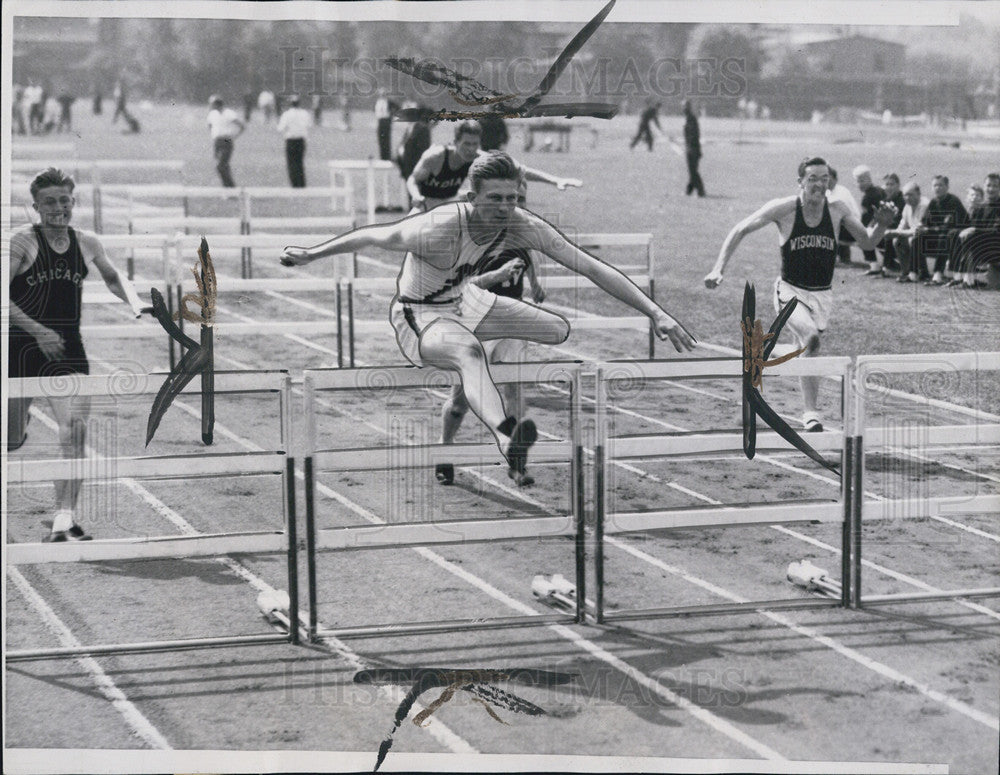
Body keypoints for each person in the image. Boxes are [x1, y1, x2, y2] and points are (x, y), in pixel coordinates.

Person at [281, 152, 696, 479]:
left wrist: (655, 313)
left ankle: (485, 397)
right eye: (494, 199)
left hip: (468, 301)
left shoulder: (521, 224)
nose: (504, 207)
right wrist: (310, 254)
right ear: (471, 198)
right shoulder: (438, 227)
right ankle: (506, 435)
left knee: (556, 329)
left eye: (512, 198)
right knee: (469, 354)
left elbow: (589, 266)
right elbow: (373, 234)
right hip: (418, 315)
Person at [704, 156, 897, 433]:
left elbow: (866, 241)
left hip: (822, 295)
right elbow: (741, 229)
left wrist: (882, 225)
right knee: (812, 340)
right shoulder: (785, 209)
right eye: (813, 179)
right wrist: (717, 269)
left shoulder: (838, 209)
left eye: (824, 178)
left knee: (802, 351)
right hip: (789, 291)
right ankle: (811, 414)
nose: (819, 184)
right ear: (800, 183)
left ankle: (758, 354)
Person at [8, 168, 147, 542]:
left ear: (74, 202)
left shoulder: (87, 242)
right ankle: (16, 431)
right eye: (49, 202)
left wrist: (136, 302)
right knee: (9, 440)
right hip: (19, 351)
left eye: (64, 201)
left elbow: (114, 278)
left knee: (74, 432)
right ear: (35, 206)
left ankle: (63, 520)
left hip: (67, 349)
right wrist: (38, 331)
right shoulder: (21, 243)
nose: (58, 208)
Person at [435, 176, 546, 487]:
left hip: (513, 320)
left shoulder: (523, 230)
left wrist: (535, 283)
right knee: (461, 402)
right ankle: (444, 451)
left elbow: (527, 255)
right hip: (478, 322)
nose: (514, 207)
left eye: (520, 201)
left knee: (515, 392)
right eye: (508, 200)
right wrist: (496, 275)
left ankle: (516, 463)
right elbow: (459, 287)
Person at [407, 121, 582, 213]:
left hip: (450, 205)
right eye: (466, 144)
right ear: (455, 142)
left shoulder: (479, 157)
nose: (470, 149)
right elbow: (413, 180)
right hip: (425, 205)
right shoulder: (436, 157)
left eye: (474, 144)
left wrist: (555, 180)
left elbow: (518, 169)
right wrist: (415, 196)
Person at [914, 175, 969, 286]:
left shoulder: (953, 201)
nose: (937, 188)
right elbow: (925, 222)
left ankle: (937, 274)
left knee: (943, 236)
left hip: (956, 240)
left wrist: (930, 229)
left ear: (947, 187)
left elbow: (948, 227)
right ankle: (917, 272)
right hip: (939, 236)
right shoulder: (933, 202)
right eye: (935, 185)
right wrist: (921, 227)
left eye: (940, 185)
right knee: (918, 236)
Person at [951, 173, 1000, 289]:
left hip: (996, 248)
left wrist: (974, 230)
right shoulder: (981, 207)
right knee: (955, 234)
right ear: (984, 186)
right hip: (984, 246)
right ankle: (958, 278)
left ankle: (969, 282)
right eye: (988, 185)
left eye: (995, 186)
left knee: (971, 235)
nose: (991, 189)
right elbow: (970, 227)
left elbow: (997, 231)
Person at [884, 181, 930, 283]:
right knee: (897, 240)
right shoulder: (907, 207)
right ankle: (906, 272)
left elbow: (918, 229)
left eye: (911, 194)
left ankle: (919, 273)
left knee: (913, 239)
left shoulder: (924, 205)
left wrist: (896, 232)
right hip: (916, 236)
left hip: (930, 238)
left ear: (919, 194)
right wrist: (891, 232)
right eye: (905, 195)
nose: (908, 198)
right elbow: (902, 226)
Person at [852, 165, 887, 275]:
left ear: (869, 179)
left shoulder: (867, 198)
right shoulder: (880, 190)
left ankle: (874, 265)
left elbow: (867, 218)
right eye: (858, 181)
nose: (860, 184)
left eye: (862, 180)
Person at [870, 172, 905, 276]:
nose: (889, 187)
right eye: (887, 184)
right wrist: (869, 227)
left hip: (900, 232)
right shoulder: (885, 200)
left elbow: (899, 220)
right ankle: (876, 265)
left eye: (892, 184)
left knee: (888, 235)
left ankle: (886, 267)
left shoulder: (903, 200)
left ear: (898, 185)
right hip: (887, 231)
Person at [207, 95, 245, 188]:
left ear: (217, 104)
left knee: (221, 166)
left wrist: (235, 136)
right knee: (223, 166)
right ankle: (228, 189)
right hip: (217, 142)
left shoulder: (229, 113)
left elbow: (241, 125)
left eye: (212, 104)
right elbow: (209, 125)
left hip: (226, 141)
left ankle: (231, 188)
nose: (210, 106)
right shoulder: (212, 114)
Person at [826, 166, 861, 264]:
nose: (826, 181)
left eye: (829, 178)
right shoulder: (829, 192)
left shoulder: (840, 193)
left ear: (835, 179)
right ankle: (841, 256)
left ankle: (841, 256)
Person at [277, 94, 311, 188]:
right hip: (301, 140)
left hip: (291, 140)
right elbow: (308, 125)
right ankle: (302, 183)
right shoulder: (304, 113)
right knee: (300, 162)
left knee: (291, 163)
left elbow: (280, 128)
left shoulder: (287, 114)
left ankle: (294, 184)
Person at [683, 99, 705, 197]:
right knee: (692, 170)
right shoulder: (689, 119)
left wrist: (690, 148)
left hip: (693, 149)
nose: (683, 109)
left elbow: (693, 136)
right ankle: (689, 190)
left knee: (693, 171)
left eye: (684, 107)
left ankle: (701, 190)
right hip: (692, 149)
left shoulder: (691, 119)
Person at [374, 88, 397, 161]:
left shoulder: (389, 102)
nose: (382, 95)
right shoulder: (377, 102)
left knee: (387, 140)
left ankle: (387, 156)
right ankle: (382, 157)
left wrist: (392, 115)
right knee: (381, 140)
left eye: (383, 94)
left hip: (386, 121)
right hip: (380, 122)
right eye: (381, 94)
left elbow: (397, 108)